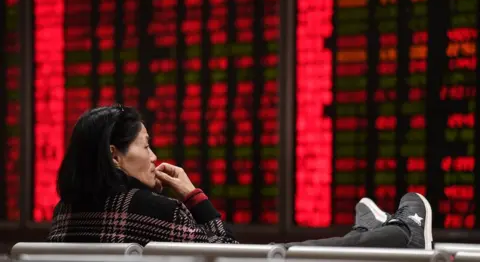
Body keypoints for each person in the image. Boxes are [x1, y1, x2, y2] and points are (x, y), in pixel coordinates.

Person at [47, 105, 433, 250]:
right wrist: (193, 196)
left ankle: (371, 232)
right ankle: (405, 229)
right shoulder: (155, 209)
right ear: (115, 155)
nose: (153, 157)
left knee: (305, 250)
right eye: (145, 147)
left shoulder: (63, 214)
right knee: (301, 254)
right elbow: (228, 252)